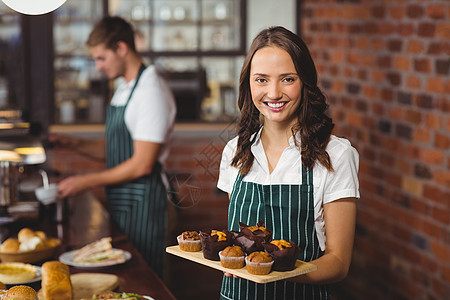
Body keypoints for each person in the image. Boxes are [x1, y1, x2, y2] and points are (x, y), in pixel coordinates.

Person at [217, 26, 359, 299]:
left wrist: (273, 270)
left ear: (305, 82)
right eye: (261, 80)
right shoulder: (235, 151)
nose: (273, 93)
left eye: (287, 79)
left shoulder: (335, 154)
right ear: (248, 83)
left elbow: (339, 263)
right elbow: (238, 242)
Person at [50, 16, 176, 277]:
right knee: (127, 275)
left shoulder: (150, 91)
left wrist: (84, 182)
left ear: (121, 48)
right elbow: (118, 149)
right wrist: (73, 143)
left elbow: (141, 164)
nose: (97, 67)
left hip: (146, 203)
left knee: (145, 276)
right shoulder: (125, 88)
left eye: (101, 58)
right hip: (125, 201)